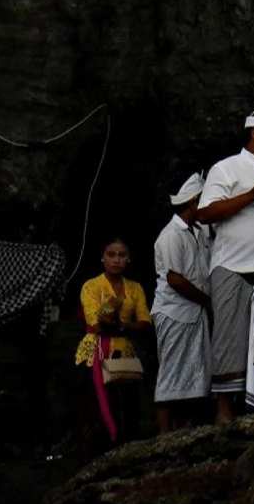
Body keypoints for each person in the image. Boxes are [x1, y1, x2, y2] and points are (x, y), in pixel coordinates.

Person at [185, 103, 254, 413]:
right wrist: (250, 195)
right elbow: (205, 213)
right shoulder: (226, 168)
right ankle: (224, 415)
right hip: (234, 267)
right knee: (229, 343)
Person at [147, 175, 214, 434]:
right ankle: (164, 435)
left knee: (194, 374)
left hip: (193, 313)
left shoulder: (197, 233)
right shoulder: (171, 235)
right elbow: (175, 278)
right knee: (172, 374)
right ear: (194, 202)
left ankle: (184, 431)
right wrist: (206, 301)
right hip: (174, 312)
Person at [72, 238, 151, 452]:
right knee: (97, 406)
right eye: (111, 254)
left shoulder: (135, 288)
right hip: (95, 353)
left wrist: (120, 325)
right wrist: (123, 324)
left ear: (129, 259)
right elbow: (95, 323)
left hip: (124, 351)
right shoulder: (91, 286)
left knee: (128, 403)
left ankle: (126, 450)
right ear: (102, 257)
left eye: (122, 255)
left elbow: (145, 321)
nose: (116, 260)